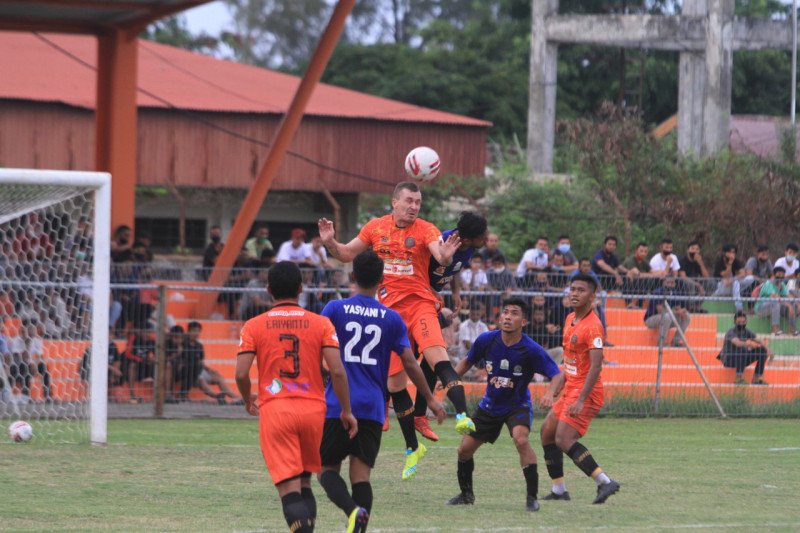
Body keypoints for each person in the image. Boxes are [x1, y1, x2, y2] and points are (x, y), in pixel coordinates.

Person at [318, 181, 476, 443]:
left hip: (420, 305)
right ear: (395, 202)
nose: (414, 207)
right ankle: (411, 442)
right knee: (395, 384)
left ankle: (462, 416)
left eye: (418, 202)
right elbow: (345, 254)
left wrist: (446, 257)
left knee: (437, 356)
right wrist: (330, 242)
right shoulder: (375, 227)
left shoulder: (426, 229)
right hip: (388, 315)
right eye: (409, 201)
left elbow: (440, 253)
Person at [318, 251, 445, 530]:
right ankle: (359, 524)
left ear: (352, 276)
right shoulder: (391, 318)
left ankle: (352, 511)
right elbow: (411, 363)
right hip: (373, 408)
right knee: (361, 477)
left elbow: (319, 354)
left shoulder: (334, 310)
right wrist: (431, 401)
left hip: (339, 404)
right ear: (382, 279)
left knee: (326, 471)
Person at [235, 261, 357, 533]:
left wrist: (246, 399)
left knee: (289, 490)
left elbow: (241, 374)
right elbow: (337, 371)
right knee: (304, 483)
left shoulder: (253, 326)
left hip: (277, 410)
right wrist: (346, 410)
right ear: (301, 288)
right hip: (314, 411)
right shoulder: (321, 323)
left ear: (268, 290)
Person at [446, 297, 563, 511]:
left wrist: (549, 393)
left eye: (514, 313)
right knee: (464, 451)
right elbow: (466, 362)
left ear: (524, 322)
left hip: (517, 405)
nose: (508, 316)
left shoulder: (531, 349)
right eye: (505, 312)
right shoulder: (486, 340)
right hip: (489, 405)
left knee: (520, 439)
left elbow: (557, 375)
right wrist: (449, 380)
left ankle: (531, 498)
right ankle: (466, 495)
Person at [540, 273, 621, 504]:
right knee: (547, 432)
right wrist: (559, 385)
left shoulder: (594, 327)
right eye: (572, 289)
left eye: (581, 290)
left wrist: (581, 399)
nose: (575, 293)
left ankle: (604, 482)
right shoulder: (570, 319)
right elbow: (570, 360)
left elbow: (596, 366)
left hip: (586, 391)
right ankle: (559, 490)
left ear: (592, 296)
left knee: (563, 439)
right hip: (571, 388)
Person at [718, 311, 772, 385]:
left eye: (743, 322)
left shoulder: (747, 331)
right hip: (729, 360)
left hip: (742, 357)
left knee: (762, 350)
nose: (741, 324)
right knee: (742, 348)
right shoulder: (731, 332)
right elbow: (737, 343)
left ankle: (756, 379)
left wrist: (767, 348)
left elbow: (759, 340)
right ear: (734, 322)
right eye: (739, 322)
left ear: (746, 321)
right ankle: (739, 378)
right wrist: (748, 344)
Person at [643, 277, 691, 347]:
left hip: (667, 318)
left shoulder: (674, 294)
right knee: (666, 316)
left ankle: (676, 341)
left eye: (672, 283)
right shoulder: (658, 292)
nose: (670, 284)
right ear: (664, 283)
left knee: (687, 316)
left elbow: (678, 309)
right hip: (651, 319)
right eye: (668, 282)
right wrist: (676, 312)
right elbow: (660, 310)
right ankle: (661, 343)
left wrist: (682, 311)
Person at [754, 267, 798, 335]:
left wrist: (797, 304)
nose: (781, 276)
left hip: (775, 308)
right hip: (761, 309)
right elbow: (776, 297)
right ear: (774, 274)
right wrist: (789, 305)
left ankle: (792, 330)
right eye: (779, 274)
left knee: (793, 305)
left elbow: (789, 296)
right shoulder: (768, 284)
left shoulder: (782, 284)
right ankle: (775, 330)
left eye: (782, 274)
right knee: (775, 303)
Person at [712, 244, 746, 312]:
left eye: (733, 252)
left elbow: (743, 274)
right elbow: (726, 275)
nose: (732, 254)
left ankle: (739, 307)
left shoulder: (735, 261)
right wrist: (730, 262)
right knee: (736, 283)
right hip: (722, 287)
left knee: (749, 278)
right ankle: (739, 308)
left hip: (732, 284)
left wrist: (732, 280)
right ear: (724, 253)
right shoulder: (719, 262)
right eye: (730, 252)